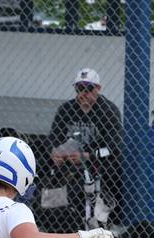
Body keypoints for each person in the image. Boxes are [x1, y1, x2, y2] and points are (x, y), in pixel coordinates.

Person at [48, 68, 122, 226]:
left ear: (98, 89)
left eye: (88, 89)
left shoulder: (108, 111)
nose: (83, 94)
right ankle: (53, 216)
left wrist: (89, 156)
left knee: (113, 167)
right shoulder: (66, 109)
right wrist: (54, 153)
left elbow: (114, 147)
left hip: (97, 161)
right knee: (47, 167)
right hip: (70, 159)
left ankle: (103, 219)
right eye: (79, 89)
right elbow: (52, 139)